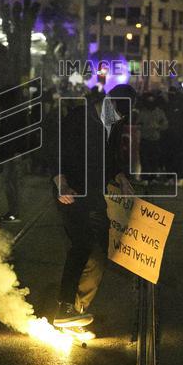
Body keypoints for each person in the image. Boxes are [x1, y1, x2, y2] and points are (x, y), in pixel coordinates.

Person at [51, 84, 136, 329]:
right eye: (117, 113)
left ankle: (75, 309)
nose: (119, 119)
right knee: (81, 243)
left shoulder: (115, 123)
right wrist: (61, 183)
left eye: (123, 116)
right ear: (108, 102)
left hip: (95, 193)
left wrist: (121, 178)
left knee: (99, 247)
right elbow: (55, 151)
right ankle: (64, 307)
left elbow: (110, 158)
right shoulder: (79, 117)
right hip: (71, 192)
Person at [137, 91, 168, 182]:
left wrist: (158, 127)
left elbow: (165, 124)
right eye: (148, 100)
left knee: (154, 160)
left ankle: (153, 177)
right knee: (144, 160)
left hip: (155, 139)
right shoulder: (142, 112)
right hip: (145, 139)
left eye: (152, 100)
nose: (150, 102)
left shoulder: (159, 112)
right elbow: (138, 125)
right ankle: (145, 178)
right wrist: (144, 128)